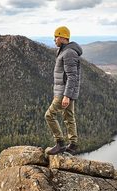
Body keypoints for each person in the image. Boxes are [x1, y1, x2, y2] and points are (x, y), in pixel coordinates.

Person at [45, 26, 83, 155]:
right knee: (68, 117)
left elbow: (72, 76)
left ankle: (60, 143)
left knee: (49, 115)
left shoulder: (69, 53)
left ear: (62, 37)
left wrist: (66, 95)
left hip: (64, 92)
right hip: (64, 91)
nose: (54, 39)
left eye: (56, 37)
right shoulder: (63, 51)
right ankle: (73, 144)